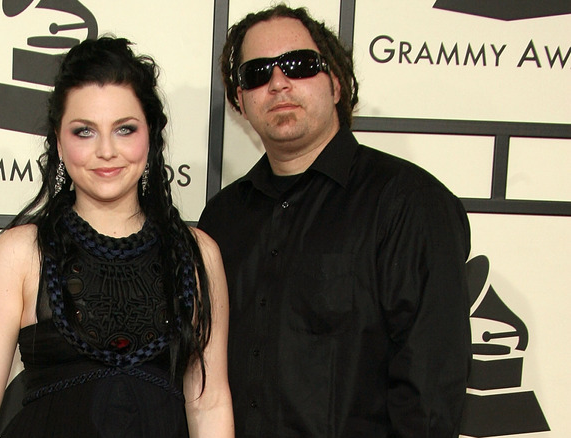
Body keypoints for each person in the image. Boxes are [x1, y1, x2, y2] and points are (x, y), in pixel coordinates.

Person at [197, 4, 471, 437]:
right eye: (257, 73)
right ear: (240, 101)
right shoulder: (222, 217)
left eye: (299, 65)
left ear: (337, 84)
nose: (278, 82)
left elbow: (430, 391)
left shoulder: (409, 203)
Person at [0, 37, 234, 438]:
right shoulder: (21, 254)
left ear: (150, 135)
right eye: (84, 131)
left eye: (124, 129)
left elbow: (210, 402)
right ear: (59, 142)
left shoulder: (197, 254)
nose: (106, 151)